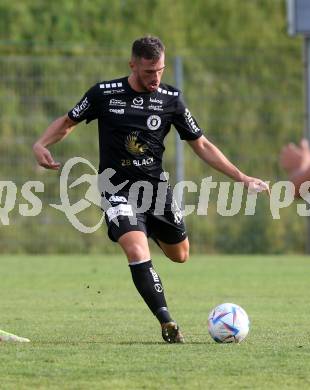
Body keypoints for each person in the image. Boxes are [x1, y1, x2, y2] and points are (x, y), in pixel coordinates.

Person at [33, 36, 269, 343]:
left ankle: (151, 228)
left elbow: (202, 144)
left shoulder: (170, 99)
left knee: (180, 255)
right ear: (132, 65)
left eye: (160, 70)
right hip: (115, 189)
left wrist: (242, 177)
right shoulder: (104, 94)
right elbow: (68, 121)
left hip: (156, 192)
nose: (155, 78)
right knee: (135, 249)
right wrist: (41, 143)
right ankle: (166, 322)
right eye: (148, 72)